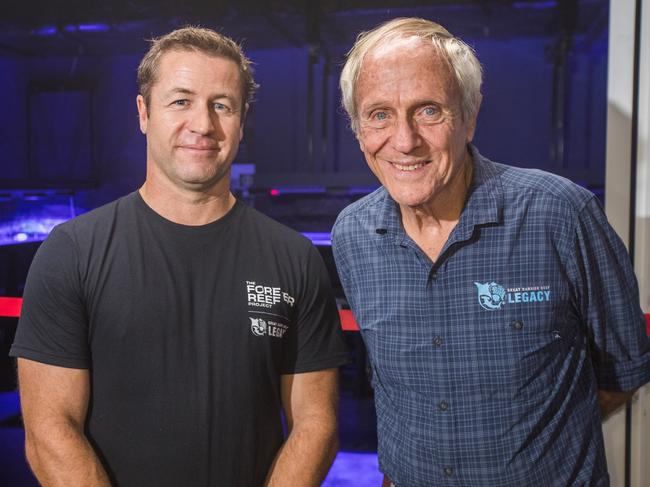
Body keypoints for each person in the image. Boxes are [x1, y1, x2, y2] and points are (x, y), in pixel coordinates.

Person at [11, 26, 349, 487]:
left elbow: (316, 425)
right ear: (143, 112)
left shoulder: (293, 258)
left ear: (242, 120)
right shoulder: (72, 252)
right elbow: (50, 430)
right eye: (180, 101)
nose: (203, 124)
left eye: (222, 105)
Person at [331, 17, 650, 487]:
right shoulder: (352, 236)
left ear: (470, 115)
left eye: (428, 111)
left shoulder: (560, 213)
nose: (404, 141)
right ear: (359, 129)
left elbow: (622, 375)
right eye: (379, 114)